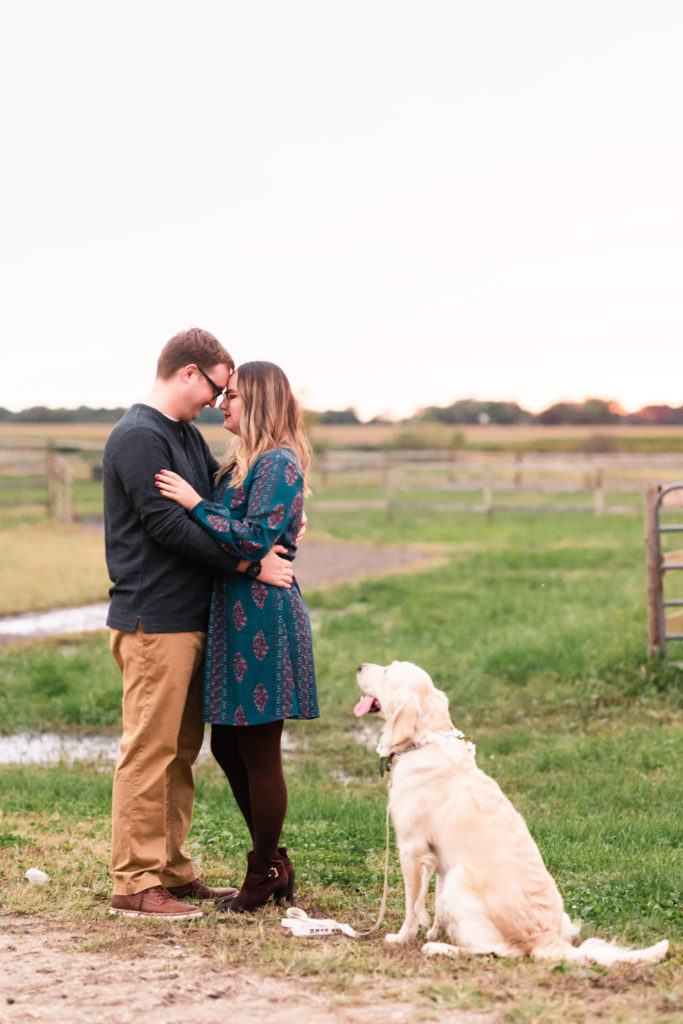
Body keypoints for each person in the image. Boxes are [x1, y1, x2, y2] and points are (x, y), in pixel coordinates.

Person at [103, 329, 294, 921]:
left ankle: (171, 871)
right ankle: (135, 882)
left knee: (180, 752)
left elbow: (222, 504)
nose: (218, 401)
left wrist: (287, 518)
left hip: (191, 619)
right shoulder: (139, 437)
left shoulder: (182, 436)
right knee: (149, 751)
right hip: (153, 616)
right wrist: (249, 561)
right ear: (188, 373)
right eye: (216, 386)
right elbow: (171, 527)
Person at [155, 360, 319, 911]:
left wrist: (195, 504)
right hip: (233, 611)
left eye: (233, 397)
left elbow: (249, 539)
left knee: (257, 745)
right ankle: (273, 859)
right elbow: (242, 543)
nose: (223, 405)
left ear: (261, 402)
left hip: (265, 616)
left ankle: (264, 870)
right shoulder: (239, 465)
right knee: (227, 742)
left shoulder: (280, 463)